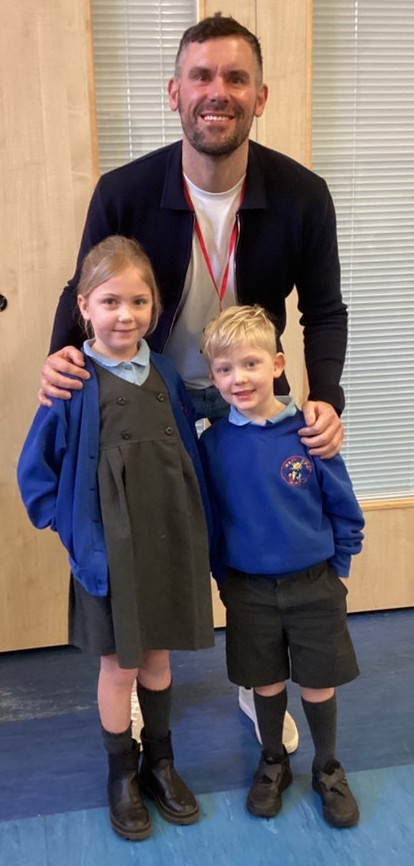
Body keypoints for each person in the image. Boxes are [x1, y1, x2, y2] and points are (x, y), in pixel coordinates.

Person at [38, 14, 348, 750]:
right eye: (202, 77)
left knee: (252, 534)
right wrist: (61, 357)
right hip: (157, 397)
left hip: (250, 390)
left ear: (260, 95)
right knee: (153, 539)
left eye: (235, 78)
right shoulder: (126, 190)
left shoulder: (303, 195)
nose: (218, 92)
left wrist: (326, 396)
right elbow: (79, 289)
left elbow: (325, 310)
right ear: (174, 92)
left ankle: (256, 673)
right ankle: (143, 671)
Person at [17, 236, 215, 842]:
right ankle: (121, 773)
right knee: (119, 666)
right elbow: (36, 467)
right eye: (110, 301)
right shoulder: (72, 381)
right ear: (84, 306)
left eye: (138, 301)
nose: (124, 315)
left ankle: (160, 762)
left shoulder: (164, 373)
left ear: (155, 307)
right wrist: (68, 525)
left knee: (158, 658)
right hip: (108, 551)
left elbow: (190, 441)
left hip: (167, 543)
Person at [199, 305, 364, 829]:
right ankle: (274, 761)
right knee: (265, 682)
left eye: (249, 364)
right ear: (213, 377)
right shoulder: (213, 442)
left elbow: (344, 507)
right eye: (224, 369)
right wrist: (225, 578)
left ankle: (328, 768)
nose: (237, 378)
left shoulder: (311, 434)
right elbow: (212, 518)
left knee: (318, 683)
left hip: (315, 583)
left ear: (277, 363)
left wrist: (338, 569)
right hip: (247, 590)